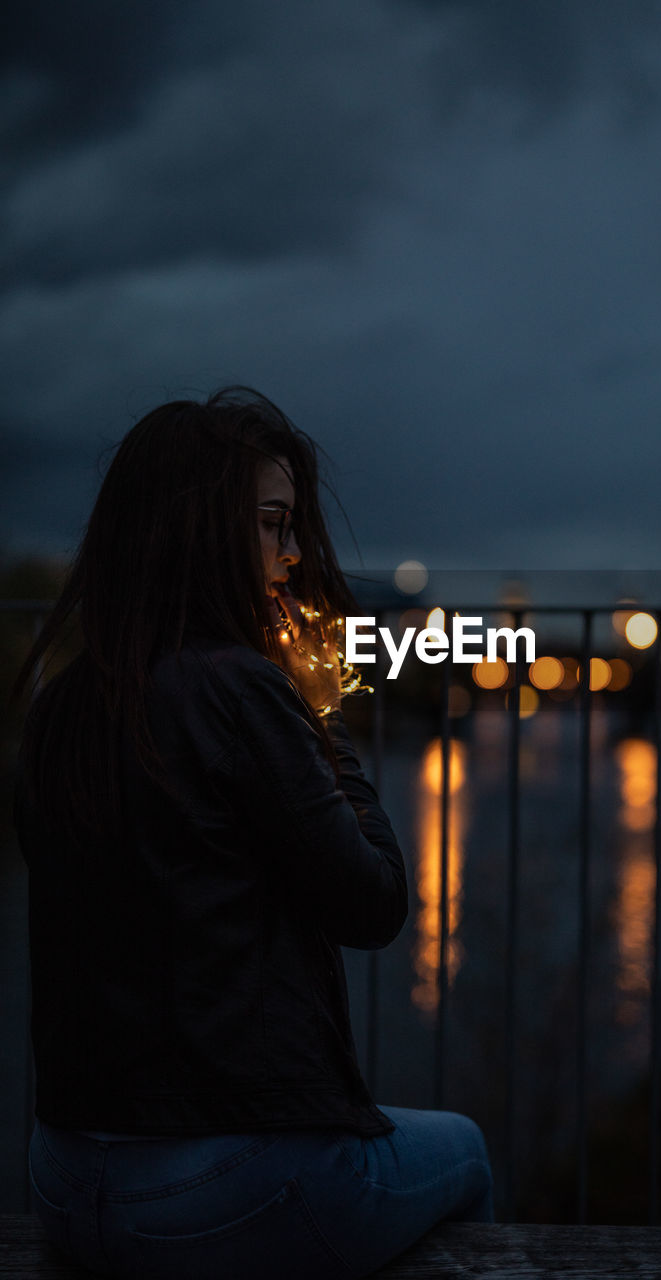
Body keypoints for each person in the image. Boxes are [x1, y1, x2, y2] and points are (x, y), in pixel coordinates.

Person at [13, 387, 493, 1279]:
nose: (293, 554)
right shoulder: (240, 689)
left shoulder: (61, 706)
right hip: (216, 1187)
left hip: (64, 1179)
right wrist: (322, 713)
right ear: (194, 534)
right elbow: (375, 902)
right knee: (463, 1149)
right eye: (273, 525)